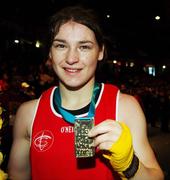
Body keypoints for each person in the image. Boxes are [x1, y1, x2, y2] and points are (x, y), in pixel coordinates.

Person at [8, 5, 164, 180]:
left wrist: (129, 164)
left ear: (100, 52)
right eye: (61, 45)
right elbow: (17, 176)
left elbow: (156, 176)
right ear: (50, 53)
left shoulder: (125, 107)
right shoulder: (28, 113)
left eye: (84, 47)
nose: (71, 58)